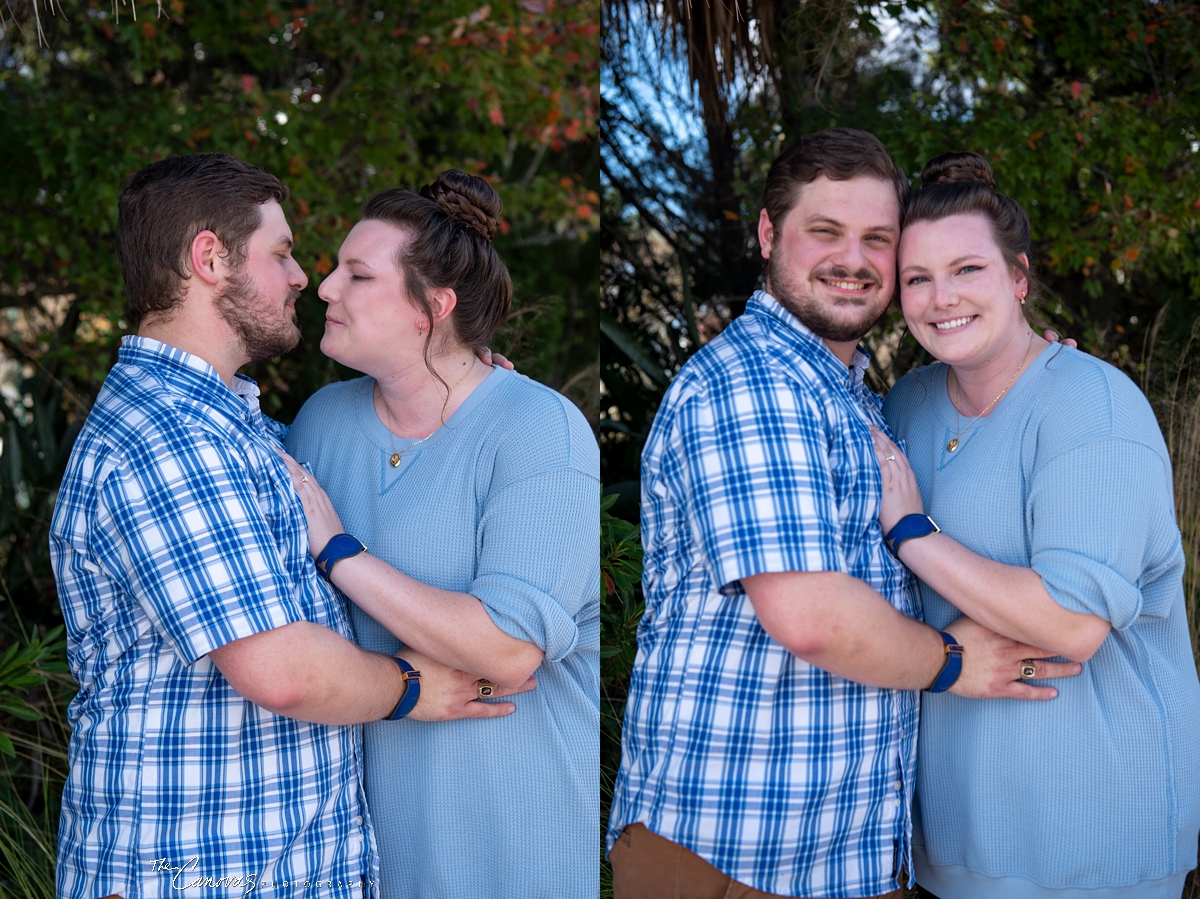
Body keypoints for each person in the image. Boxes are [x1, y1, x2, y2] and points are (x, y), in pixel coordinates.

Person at [606, 128, 1082, 899]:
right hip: (736, 847)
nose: (853, 260)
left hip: (839, 852)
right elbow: (810, 615)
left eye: (877, 239)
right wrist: (955, 664)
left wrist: (1027, 363)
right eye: (824, 232)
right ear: (768, 232)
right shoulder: (754, 385)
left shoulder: (853, 391)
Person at [48, 153, 531, 899]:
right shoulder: (167, 440)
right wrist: (411, 686)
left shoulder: (241, 432)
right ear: (209, 258)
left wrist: (456, 378)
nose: (304, 277)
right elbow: (287, 672)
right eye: (281, 253)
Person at [874, 151, 1200, 899]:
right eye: (918, 278)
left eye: (968, 270)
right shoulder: (906, 404)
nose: (940, 297)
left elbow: (1071, 620)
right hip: (953, 839)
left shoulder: (1093, 408)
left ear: (1018, 277)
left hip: (1092, 840)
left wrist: (913, 531)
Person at [282, 169, 600, 899]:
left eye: (357, 275)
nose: (326, 288)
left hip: (515, 860)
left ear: (434, 306)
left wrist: (340, 553)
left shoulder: (538, 431)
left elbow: (509, 647)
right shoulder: (321, 422)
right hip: (359, 863)